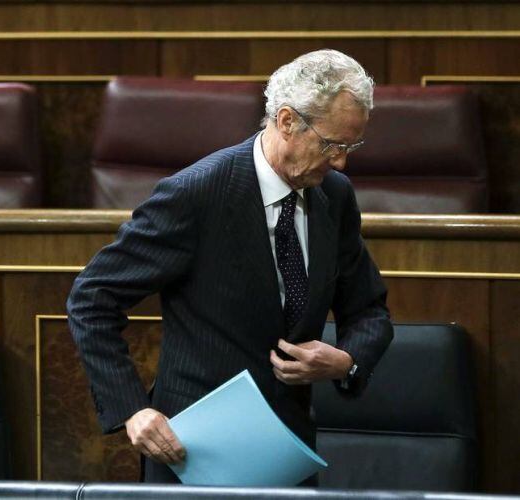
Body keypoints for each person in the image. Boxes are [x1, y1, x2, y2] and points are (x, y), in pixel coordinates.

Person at [66, 49, 394, 484]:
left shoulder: (334, 195)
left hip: (286, 454)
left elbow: (369, 310)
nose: (341, 161)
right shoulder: (197, 194)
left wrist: (346, 362)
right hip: (193, 455)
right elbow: (92, 298)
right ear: (287, 121)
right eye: (332, 145)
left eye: (351, 146)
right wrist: (131, 408)